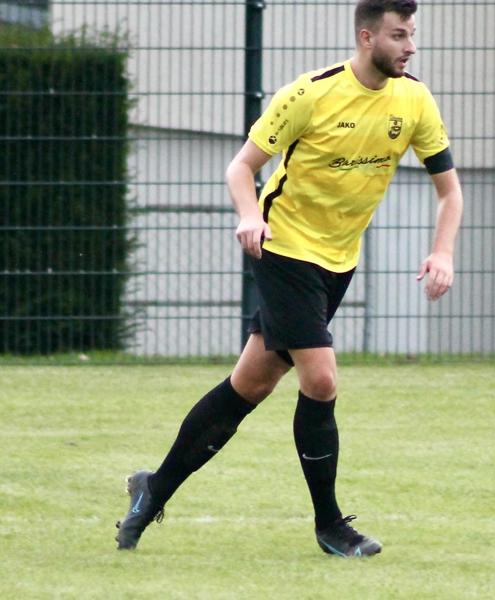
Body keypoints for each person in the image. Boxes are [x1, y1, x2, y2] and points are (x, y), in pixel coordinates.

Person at [115, 0, 462, 558]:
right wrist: (250, 214)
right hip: (283, 248)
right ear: (367, 36)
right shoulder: (310, 93)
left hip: (337, 262)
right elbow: (241, 167)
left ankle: (152, 488)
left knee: (249, 385)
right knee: (320, 380)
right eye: (399, 35)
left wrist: (442, 252)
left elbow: (450, 190)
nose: (410, 47)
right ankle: (330, 526)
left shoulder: (415, 99)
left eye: (413, 35)